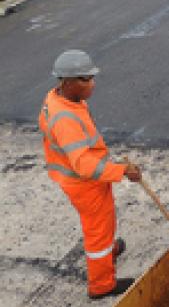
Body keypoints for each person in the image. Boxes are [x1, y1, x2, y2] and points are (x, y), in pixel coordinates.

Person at [39, 50, 143, 299]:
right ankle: (101, 285)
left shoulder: (60, 99)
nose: (92, 84)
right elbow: (84, 165)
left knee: (104, 223)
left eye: (91, 77)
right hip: (83, 182)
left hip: (84, 180)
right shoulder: (65, 118)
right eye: (85, 79)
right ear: (67, 82)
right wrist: (122, 170)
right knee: (98, 231)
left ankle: (108, 252)